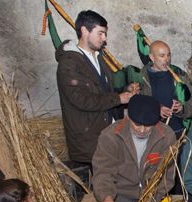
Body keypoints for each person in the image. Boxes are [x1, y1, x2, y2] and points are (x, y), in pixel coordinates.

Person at [56, 10, 138, 169]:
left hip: (110, 130)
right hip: (90, 136)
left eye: (105, 34)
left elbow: (103, 91)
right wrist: (118, 98)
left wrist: (125, 90)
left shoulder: (99, 57)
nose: (104, 38)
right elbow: (82, 100)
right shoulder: (69, 63)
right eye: (100, 33)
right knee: (103, 179)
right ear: (84, 31)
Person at [92, 94, 176, 202]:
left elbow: (167, 175)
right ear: (128, 117)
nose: (142, 130)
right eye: (137, 124)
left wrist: (153, 200)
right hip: (121, 195)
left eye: (148, 126)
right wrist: (107, 196)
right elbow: (103, 171)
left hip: (153, 196)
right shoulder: (111, 136)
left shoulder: (166, 136)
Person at [140, 40, 192, 137]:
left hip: (179, 131)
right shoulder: (142, 77)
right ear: (152, 57)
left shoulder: (179, 74)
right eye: (162, 56)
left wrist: (182, 108)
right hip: (152, 133)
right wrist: (155, 109)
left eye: (168, 55)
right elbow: (138, 104)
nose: (167, 59)